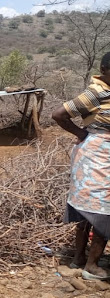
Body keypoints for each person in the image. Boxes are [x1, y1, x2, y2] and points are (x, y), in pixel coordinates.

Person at [52, 51, 110, 280]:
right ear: (105, 70)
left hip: (101, 154)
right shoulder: (96, 92)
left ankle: (79, 259)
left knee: (93, 208)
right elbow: (58, 114)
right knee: (102, 210)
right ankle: (90, 265)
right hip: (95, 156)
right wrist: (81, 133)